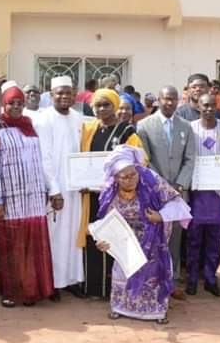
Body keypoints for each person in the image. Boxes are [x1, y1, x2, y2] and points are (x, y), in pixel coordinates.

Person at [95, 146, 191, 323]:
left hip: (153, 235)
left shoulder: (151, 180)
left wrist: (160, 216)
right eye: (124, 177)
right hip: (124, 237)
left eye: (133, 174)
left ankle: (156, 311)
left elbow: (176, 201)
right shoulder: (109, 191)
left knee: (153, 268)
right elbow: (105, 223)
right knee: (123, 268)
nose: (131, 180)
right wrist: (103, 240)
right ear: (115, 178)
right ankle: (120, 307)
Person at [0, 82, 55, 307]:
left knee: (32, 247)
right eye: (11, 103)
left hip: (33, 197)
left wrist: (46, 188)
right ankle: (12, 292)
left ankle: (32, 290)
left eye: (19, 103)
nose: (16, 107)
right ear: (4, 105)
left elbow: (40, 160)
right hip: (10, 200)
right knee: (13, 248)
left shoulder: (30, 126)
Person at [78, 89, 145, 298]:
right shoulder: (90, 129)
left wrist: (119, 181)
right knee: (93, 236)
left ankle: (114, 289)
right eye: (97, 105)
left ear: (115, 106)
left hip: (115, 197)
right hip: (91, 195)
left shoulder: (127, 132)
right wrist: (80, 180)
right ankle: (94, 288)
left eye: (106, 105)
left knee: (113, 238)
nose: (101, 109)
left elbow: (139, 162)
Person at [137, 86, 196, 300]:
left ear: (178, 101)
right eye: (165, 99)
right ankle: (152, 280)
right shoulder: (144, 125)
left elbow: (190, 159)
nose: (169, 103)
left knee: (175, 239)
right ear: (158, 100)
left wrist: (179, 185)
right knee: (153, 236)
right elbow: (145, 159)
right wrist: (161, 185)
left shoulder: (186, 127)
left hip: (178, 193)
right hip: (155, 192)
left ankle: (171, 282)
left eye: (173, 99)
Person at [34, 76, 86, 301]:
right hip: (56, 189)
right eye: (60, 93)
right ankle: (53, 283)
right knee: (55, 236)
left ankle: (72, 280)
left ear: (74, 94)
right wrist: (53, 189)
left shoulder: (79, 118)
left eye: (68, 93)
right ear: (51, 94)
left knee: (74, 233)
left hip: (76, 188)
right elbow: (44, 158)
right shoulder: (44, 119)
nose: (65, 97)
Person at [186, 90, 220, 296]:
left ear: (218, 106)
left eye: (211, 105)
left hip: (219, 194)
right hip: (196, 192)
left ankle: (210, 278)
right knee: (194, 239)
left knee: (215, 240)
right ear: (197, 106)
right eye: (204, 105)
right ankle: (191, 279)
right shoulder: (190, 129)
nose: (208, 109)